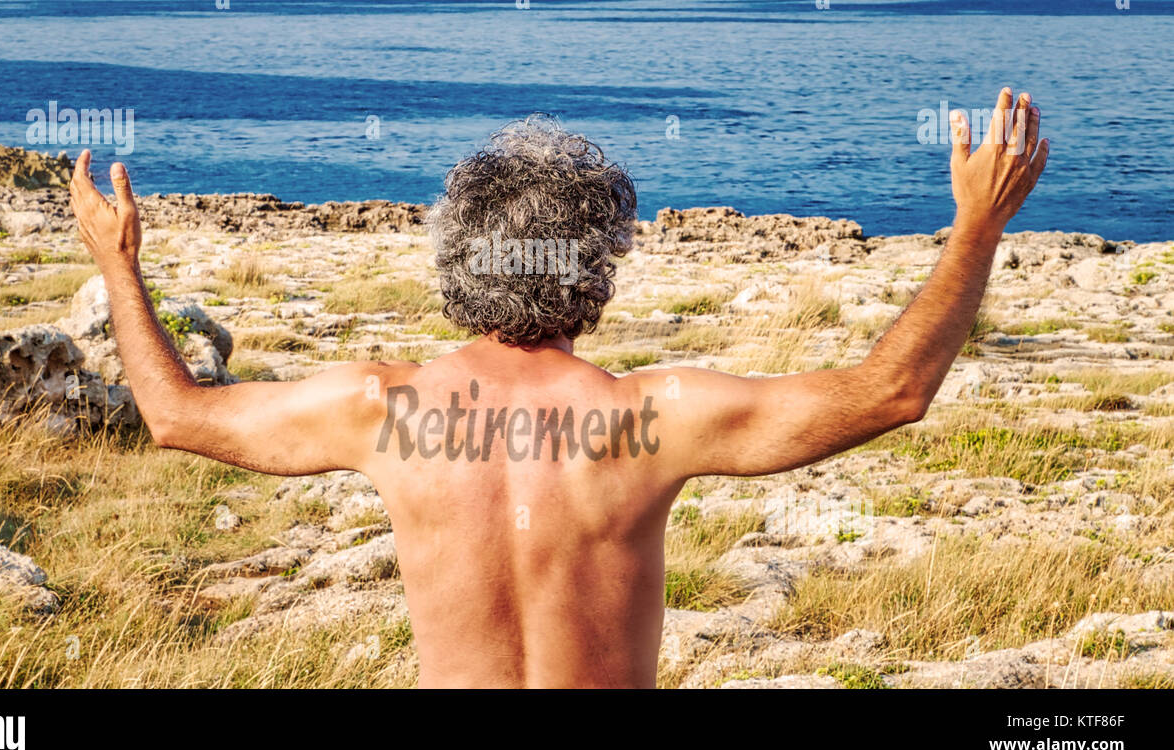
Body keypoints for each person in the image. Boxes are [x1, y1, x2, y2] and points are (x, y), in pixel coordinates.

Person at [68, 87, 1048, 687]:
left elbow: (174, 415)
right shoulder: (650, 418)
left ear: (459, 259)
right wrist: (974, 227)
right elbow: (891, 391)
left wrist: (119, 264)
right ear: (599, 266)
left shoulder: (381, 408)